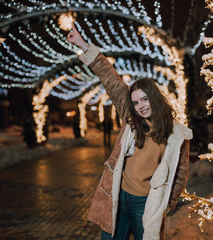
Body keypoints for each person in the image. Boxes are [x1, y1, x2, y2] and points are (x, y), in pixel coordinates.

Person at [67, 22, 192, 240]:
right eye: (135, 102)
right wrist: (84, 46)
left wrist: (166, 205)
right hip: (119, 196)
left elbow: (181, 175)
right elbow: (110, 78)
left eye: (145, 99)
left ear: (154, 98)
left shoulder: (177, 135)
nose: (141, 106)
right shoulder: (131, 118)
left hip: (146, 203)